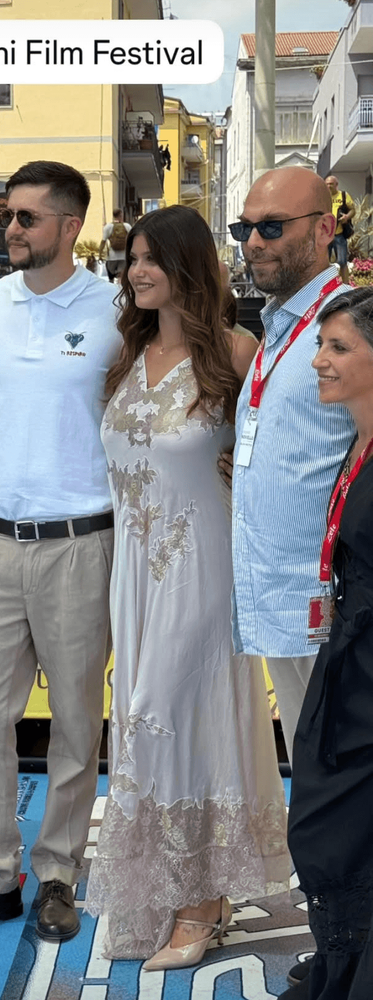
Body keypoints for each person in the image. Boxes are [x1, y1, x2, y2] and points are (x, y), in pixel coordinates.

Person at [84, 205, 290, 967]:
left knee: (170, 714)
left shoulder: (236, 353)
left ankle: (205, 901)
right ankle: (168, 890)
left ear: (186, 266)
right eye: (129, 259)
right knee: (140, 725)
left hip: (202, 570)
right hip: (133, 576)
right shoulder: (123, 358)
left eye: (149, 259)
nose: (135, 271)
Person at [0, 160, 121, 945]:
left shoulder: (116, 306)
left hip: (81, 543)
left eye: (27, 218)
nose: (9, 229)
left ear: (69, 227)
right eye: (9, 215)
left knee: (75, 724)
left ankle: (56, 876)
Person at [221, 167, 355, 995]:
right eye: (244, 230)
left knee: (336, 793)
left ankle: (346, 955)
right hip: (275, 602)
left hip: (328, 605)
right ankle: (337, 945)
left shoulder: (347, 327)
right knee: (315, 790)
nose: (255, 245)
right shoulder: (277, 326)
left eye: (272, 228)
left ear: (324, 227)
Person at [283, 286, 373, 1000]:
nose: (317, 361)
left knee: (337, 836)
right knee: (320, 834)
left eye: (337, 347)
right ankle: (338, 965)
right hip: (345, 666)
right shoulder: (355, 441)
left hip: (366, 689)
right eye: (319, 345)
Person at [325, 175, 355, 285]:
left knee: (342, 262)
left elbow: (353, 210)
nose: (328, 186)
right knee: (324, 264)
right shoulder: (322, 197)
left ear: (336, 185)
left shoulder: (343, 195)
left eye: (331, 184)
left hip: (339, 234)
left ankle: (346, 285)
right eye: (327, 184)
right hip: (326, 236)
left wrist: (347, 217)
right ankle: (328, 285)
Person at [100, 208, 131, 284]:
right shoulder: (127, 226)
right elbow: (132, 240)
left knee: (111, 279)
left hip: (112, 257)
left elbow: (103, 241)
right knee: (121, 278)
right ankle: (120, 291)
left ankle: (112, 292)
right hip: (123, 256)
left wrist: (101, 254)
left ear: (113, 216)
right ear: (121, 215)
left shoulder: (108, 227)